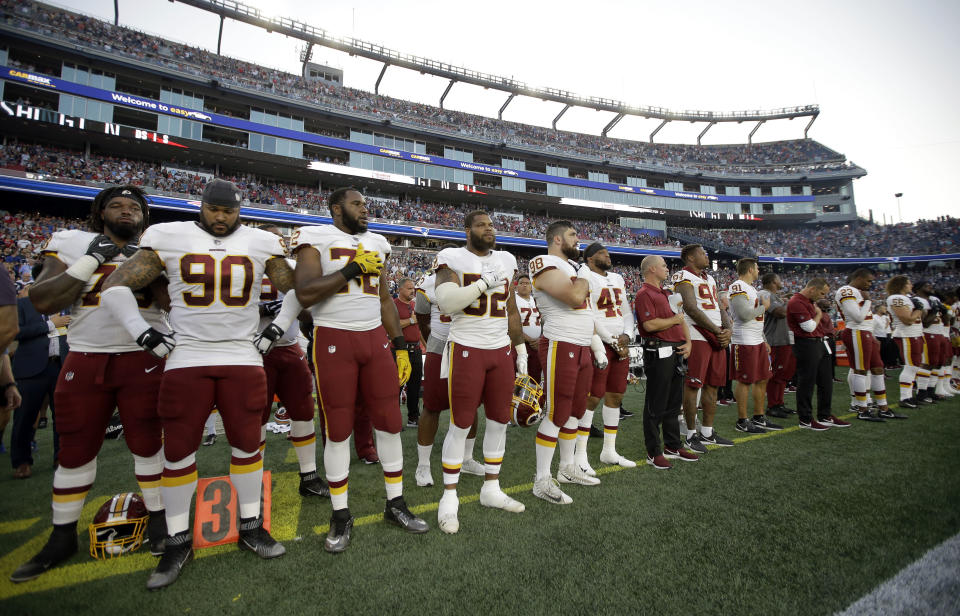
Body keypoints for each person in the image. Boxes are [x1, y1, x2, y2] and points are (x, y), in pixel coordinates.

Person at [100, 179, 301, 589]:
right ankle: (176, 539)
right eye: (214, 210)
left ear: (240, 209)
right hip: (187, 355)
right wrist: (144, 333)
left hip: (242, 356)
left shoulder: (262, 241)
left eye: (228, 211)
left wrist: (277, 328)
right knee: (178, 450)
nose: (221, 218)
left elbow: (298, 289)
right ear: (202, 206)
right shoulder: (168, 235)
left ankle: (250, 525)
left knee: (248, 444)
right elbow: (113, 286)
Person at [10, 186, 171, 584]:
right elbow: (44, 301)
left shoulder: (155, 245)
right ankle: (62, 534)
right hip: (86, 354)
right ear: (100, 212)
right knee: (75, 448)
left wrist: (146, 267)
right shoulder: (71, 242)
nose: (127, 211)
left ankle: (158, 521)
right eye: (117, 205)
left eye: (135, 207)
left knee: (148, 442)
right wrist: (91, 260)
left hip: (145, 357)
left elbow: (170, 302)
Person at [291, 186, 428, 554]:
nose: (365, 209)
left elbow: (383, 298)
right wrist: (352, 268)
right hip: (334, 339)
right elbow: (304, 293)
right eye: (357, 204)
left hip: (375, 341)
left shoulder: (378, 242)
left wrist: (399, 345)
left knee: (389, 421)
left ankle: (395, 503)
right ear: (337, 209)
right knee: (338, 428)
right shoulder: (314, 238)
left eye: (366, 203)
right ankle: (340, 514)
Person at [433, 210, 526, 533]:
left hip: (500, 349)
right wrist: (485, 282)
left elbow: (510, 306)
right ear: (467, 230)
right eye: (482, 225)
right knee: (461, 422)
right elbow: (446, 302)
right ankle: (449, 497)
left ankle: (491, 488)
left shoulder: (507, 258)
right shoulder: (451, 257)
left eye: (491, 224)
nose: (489, 229)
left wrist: (521, 347)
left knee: (500, 420)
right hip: (467, 347)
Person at [529, 220, 605, 505]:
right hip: (560, 342)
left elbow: (586, 313)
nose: (578, 240)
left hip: (581, 343)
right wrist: (584, 276)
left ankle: (567, 468)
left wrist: (598, 346)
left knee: (575, 410)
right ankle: (541, 480)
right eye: (573, 235)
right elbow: (574, 298)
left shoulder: (572, 268)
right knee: (556, 413)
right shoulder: (543, 262)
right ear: (558, 239)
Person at [256, 225, 328, 497]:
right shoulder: (244, 263)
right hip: (254, 349)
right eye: (272, 237)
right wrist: (261, 309)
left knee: (303, 410)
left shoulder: (291, 265)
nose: (279, 242)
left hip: (288, 346)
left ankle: (308, 474)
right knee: (256, 416)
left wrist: (303, 310)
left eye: (280, 238)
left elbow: (307, 309)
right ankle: (253, 479)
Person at [412, 257, 483, 488]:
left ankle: (467, 458)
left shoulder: (473, 278)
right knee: (432, 406)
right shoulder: (429, 283)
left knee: (471, 404)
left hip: (470, 346)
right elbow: (422, 319)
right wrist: (431, 340)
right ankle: (423, 465)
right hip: (441, 346)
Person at [633, 255, 697, 470]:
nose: (667, 268)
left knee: (673, 403)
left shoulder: (668, 292)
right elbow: (650, 325)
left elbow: (682, 319)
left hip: (677, 349)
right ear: (652, 269)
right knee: (655, 404)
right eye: (663, 265)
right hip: (658, 350)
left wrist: (688, 342)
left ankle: (672, 445)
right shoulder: (643, 294)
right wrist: (675, 321)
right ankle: (654, 451)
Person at [673, 244, 733, 453]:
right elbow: (690, 307)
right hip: (697, 334)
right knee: (693, 384)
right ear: (690, 257)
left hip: (716, 334)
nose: (706, 256)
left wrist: (728, 328)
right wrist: (718, 330)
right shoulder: (682, 275)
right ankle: (690, 434)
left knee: (713, 384)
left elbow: (718, 306)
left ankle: (707, 431)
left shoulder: (710, 278)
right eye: (702, 253)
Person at [582, 243, 636, 470]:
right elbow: (588, 313)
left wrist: (627, 335)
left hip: (619, 344)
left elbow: (625, 312)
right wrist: (613, 342)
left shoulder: (618, 278)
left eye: (607, 252)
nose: (608, 255)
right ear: (590, 258)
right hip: (598, 344)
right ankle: (579, 455)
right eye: (602, 253)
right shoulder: (583, 274)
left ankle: (609, 450)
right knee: (592, 398)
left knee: (615, 397)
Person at [9, 280, 68, 479]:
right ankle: (22, 461)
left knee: (62, 416)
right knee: (24, 418)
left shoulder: (64, 304)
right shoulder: (24, 305)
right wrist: (51, 324)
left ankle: (61, 457)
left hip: (60, 365)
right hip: (31, 369)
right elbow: (17, 331)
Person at [834, 268, 900, 421]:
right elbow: (857, 317)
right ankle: (862, 408)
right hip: (856, 331)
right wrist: (868, 300)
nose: (870, 284)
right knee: (860, 370)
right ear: (858, 278)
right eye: (868, 280)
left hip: (865, 333)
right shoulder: (846, 290)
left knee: (877, 368)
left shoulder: (855, 292)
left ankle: (883, 407)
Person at [727, 259, 781, 433]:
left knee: (763, 378)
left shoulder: (751, 288)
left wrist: (763, 338)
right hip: (744, 341)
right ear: (750, 269)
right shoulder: (738, 286)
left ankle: (759, 416)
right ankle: (742, 420)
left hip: (757, 339)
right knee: (745, 381)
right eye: (757, 268)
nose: (759, 271)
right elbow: (743, 315)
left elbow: (757, 320)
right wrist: (764, 307)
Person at [787, 278, 846, 430]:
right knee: (807, 382)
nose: (823, 297)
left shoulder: (808, 301)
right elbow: (808, 327)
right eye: (821, 293)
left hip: (819, 342)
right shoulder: (796, 302)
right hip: (806, 343)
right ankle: (805, 418)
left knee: (826, 381)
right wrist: (818, 314)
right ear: (812, 289)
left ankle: (825, 414)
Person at [885, 275, 925, 408]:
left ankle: (908, 396)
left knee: (914, 365)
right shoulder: (897, 298)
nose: (911, 285)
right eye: (908, 283)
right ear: (901, 285)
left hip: (914, 334)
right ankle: (905, 397)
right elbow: (907, 320)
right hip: (907, 334)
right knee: (911, 365)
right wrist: (918, 309)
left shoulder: (905, 298)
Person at [759, 273, 795, 418]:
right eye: (779, 279)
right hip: (773, 340)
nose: (781, 282)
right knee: (773, 375)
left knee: (782, 375)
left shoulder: (776, 296)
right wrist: (791, 303)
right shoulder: (765, 294)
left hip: (783, 339)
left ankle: (779, 403)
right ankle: (772, 406)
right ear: (773, 281)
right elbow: (779, 312)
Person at [393, 277, 423, 428]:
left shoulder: (414, 305)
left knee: (415, 387)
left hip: (416, 350)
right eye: (409, 288)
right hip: (399, 350)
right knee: (396, 387)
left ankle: (413, 417)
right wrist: (411, 320)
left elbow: (419, 329)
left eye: (413, 288)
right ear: (400, 289)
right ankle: (394, 419)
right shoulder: (392, 305)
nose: (413, 291)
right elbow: (391, 325)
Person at [914, 281, 950, 400]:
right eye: (926, 285)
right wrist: (934, 311)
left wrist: (944, 312)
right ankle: (922, 393)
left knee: (938, 364)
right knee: (927, 363)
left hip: (940, 333)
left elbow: (946, 321)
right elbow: (925, 323)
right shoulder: (917, 300)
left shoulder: (934, 298)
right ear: (918, 288)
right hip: (928, 334)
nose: (930, 286)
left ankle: (931, 391)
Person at [514, 274, 543, 384]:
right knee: (520, 376)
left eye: (527, 283)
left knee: (535, 379)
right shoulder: (513, 300)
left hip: (536, 346)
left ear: (531, 286)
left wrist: (540, 339)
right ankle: (517, 401)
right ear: (516, 286)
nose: (524, 285)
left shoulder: (536, 300)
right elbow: (510, 324)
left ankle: (533, 401)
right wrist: (530, 340)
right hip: (519, 344)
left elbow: (544, 322)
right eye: (521, 283)